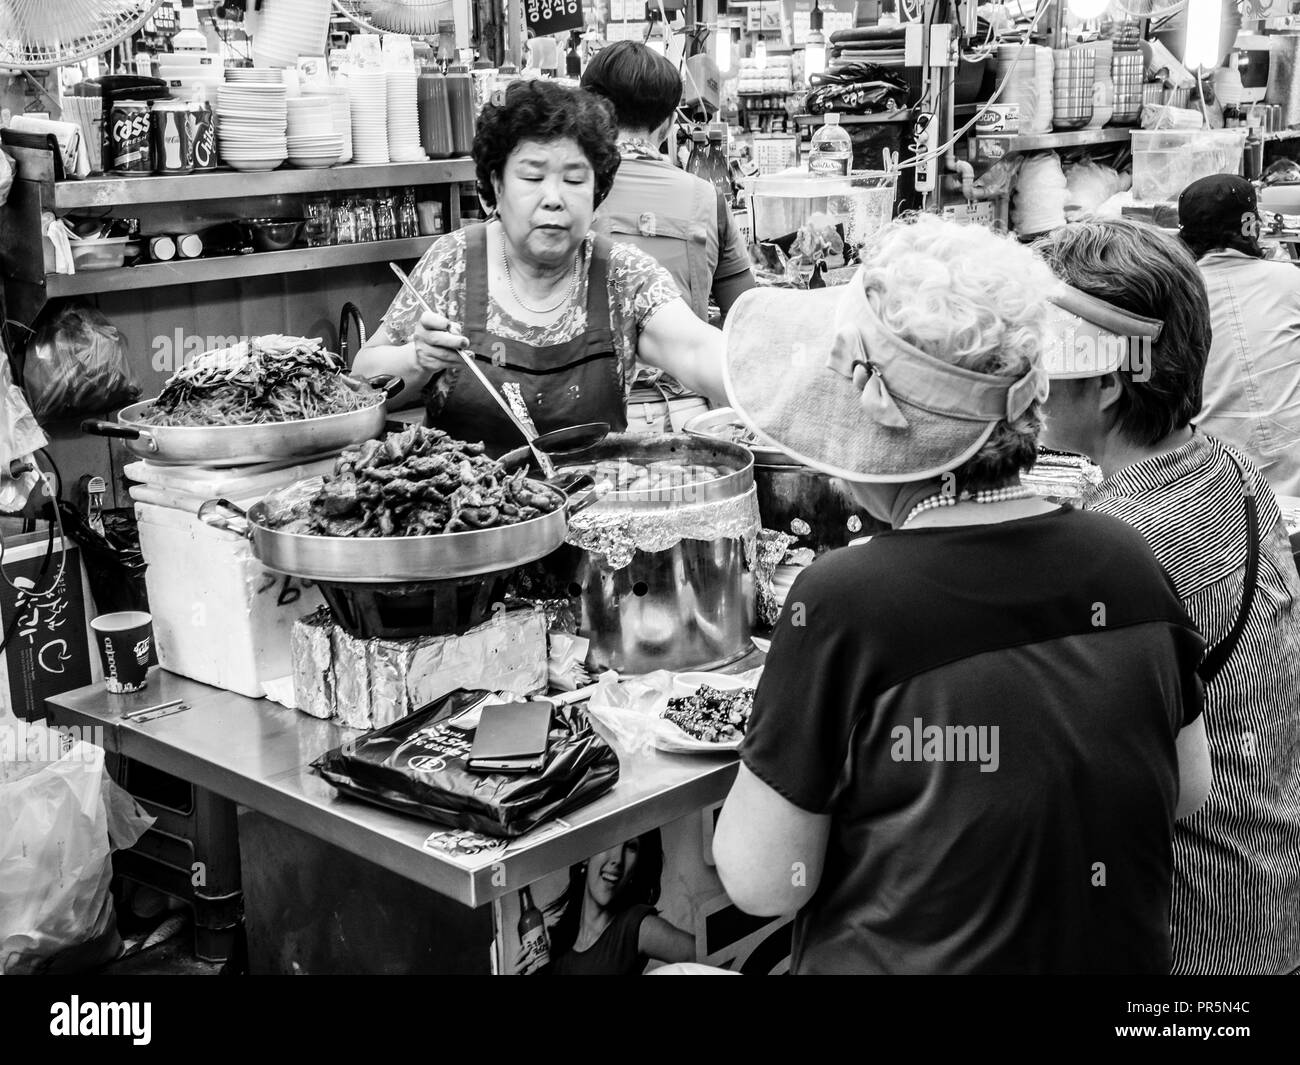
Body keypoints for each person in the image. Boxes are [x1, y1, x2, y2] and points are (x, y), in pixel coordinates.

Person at [710, 214, 1211, 975]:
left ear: (888, 433)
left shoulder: (844, 599)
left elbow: (763, 883)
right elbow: (1188, 789)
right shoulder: (1127, 556)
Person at [1035, 217, 1300, 976]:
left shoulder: (1112, 550)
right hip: (1269, 892)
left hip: (1191, 933)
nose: (1032, 376)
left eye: (1046, 356)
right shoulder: (1230, 469)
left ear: (1112, 381)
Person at [354, 79, 725, 455]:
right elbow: (362, 378)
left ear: (597, 192)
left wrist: (765, 377)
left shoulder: (624, 276)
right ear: (495, 185)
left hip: (595, 504)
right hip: (459, 505)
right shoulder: (452, 264)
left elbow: (696, 349)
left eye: (575, 179)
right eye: (532, 177)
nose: (554, 198)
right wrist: (416, 359)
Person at [581, 40, 756, 321]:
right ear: (670, 123)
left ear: (589, 113)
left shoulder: (567, 193)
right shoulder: (710, 200)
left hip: (594, 365)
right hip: (685, 361)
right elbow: (745, 315)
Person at [1177, 174, 1300, 498]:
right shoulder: (1288, 280)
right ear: (1251, 226)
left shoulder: (1180, 295)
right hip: (1293, 471)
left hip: (1216, 478)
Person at [546, 831, 695, 975]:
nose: (618, 860)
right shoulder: (559, 941)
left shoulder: (635, 926)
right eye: (609, 841)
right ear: (585, 856)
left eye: (631, 847)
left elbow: (704, 954)